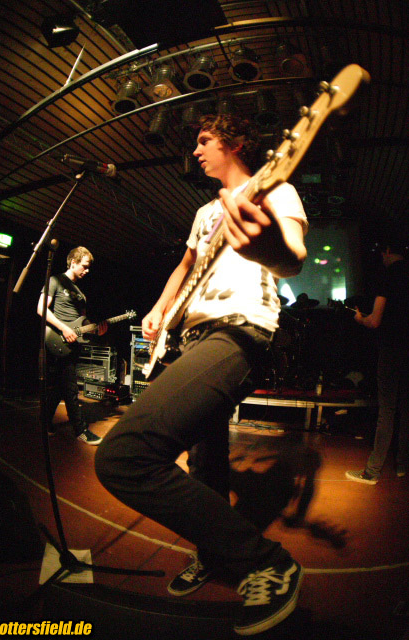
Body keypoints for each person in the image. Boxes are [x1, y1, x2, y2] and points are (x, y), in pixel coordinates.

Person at [95, 114, 308, 635]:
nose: (195, 150)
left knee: (125, 456)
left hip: (238, 332)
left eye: (204, 140)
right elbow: (187, 266)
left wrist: (267, 248)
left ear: (235, 143)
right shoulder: (204, 211)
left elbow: (293, 258)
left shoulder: (275, 187)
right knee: (205, 464)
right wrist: (160, 309)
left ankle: (267, 562)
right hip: (192, 336)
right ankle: (214, 556)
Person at [346, 239, 409, 484]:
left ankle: (372, 472)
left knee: (387, 409)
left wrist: (360, 319)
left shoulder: (388, 276)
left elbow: (375, 321)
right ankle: (402, 465)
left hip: (391, 348)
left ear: (387, 251)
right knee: (406, 409)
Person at [37, 246, 107, 445]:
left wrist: (96, 330)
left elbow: (83, 323)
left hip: (73, 344)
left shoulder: (81, 294)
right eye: (84, 266)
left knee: (60, 388)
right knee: (70, 388)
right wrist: (64, 329)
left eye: (89, 267)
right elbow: (41, 309)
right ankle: (80, 430)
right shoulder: (55, 281)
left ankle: (44, 423)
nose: (87, 270)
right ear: (73, 262)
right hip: (57, 340)